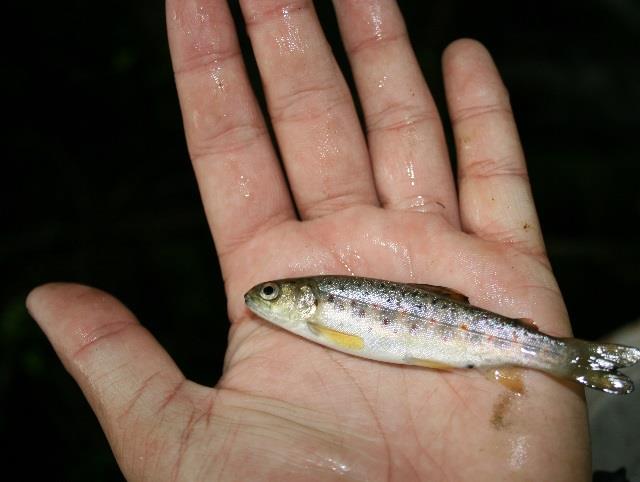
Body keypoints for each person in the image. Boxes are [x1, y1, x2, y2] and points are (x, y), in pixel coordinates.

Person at [26, 0, 590, 480]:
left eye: (271, 293)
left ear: (304, 299)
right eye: (270, 292)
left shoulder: (321, 311)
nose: (261, 298)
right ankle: (564, 358)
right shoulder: (314, 313)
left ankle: (561, 357)